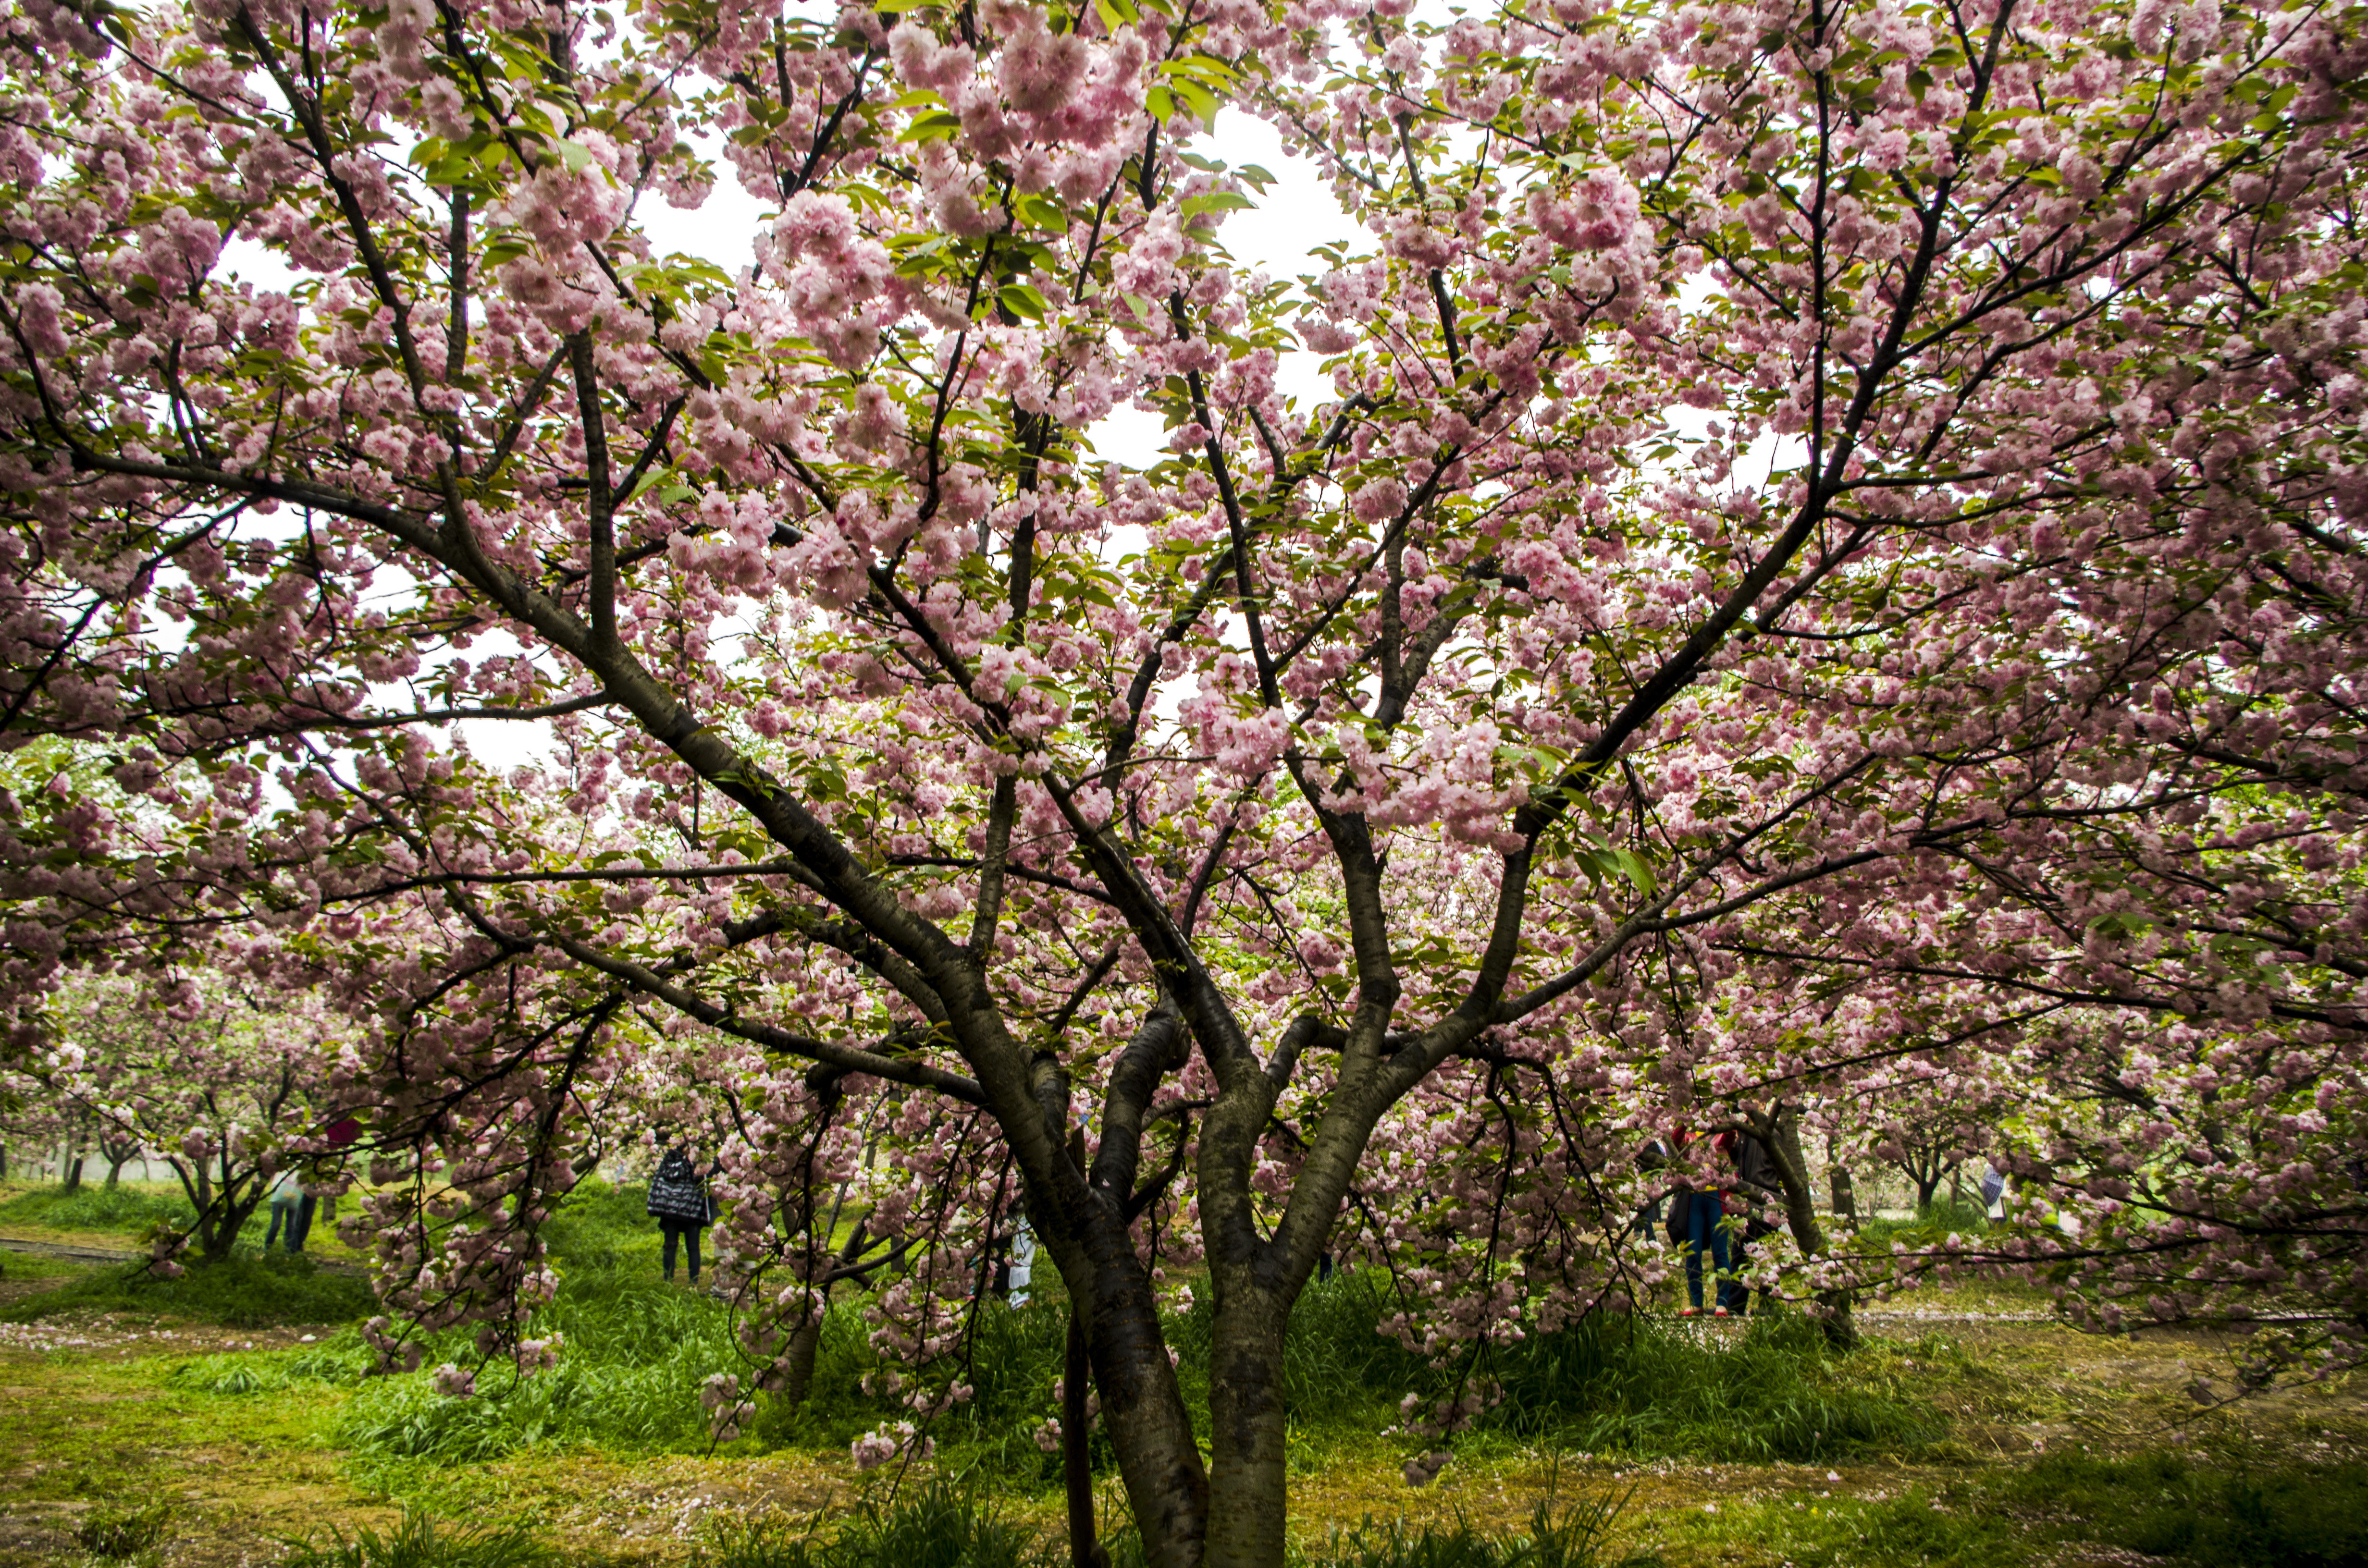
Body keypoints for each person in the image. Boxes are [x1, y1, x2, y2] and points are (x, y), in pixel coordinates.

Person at [1668, 1125, 1733, 1319]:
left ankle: (1722, 1304)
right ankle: (1696, 1303)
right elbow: (1674, 1140)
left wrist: (1721, 1118)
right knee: (1693, 1253)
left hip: (1717, 1201)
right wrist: (1684, 1119)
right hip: (1694, 1200)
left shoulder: (1721, 1133)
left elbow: (1730, 1136)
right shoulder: (1688, 1135)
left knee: (1720, 1252)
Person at [645, 1137, 713, 1284]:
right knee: (689, 1247)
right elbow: (703, 1184)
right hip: (691, 1210)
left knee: (676, 1246)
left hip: (672, 1210)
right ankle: (688, 1282)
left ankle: (674, 1281)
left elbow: (661, 1181)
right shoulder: (697, 1163)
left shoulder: (671, 1162)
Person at [263, 1167, 303, 1252]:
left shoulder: (303, 1162)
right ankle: (268, 1249)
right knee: (276, 1224)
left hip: (294, 1195)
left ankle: (288, 1251)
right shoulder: (284, 1160)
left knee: (291, 1225)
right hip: (280, 1191)